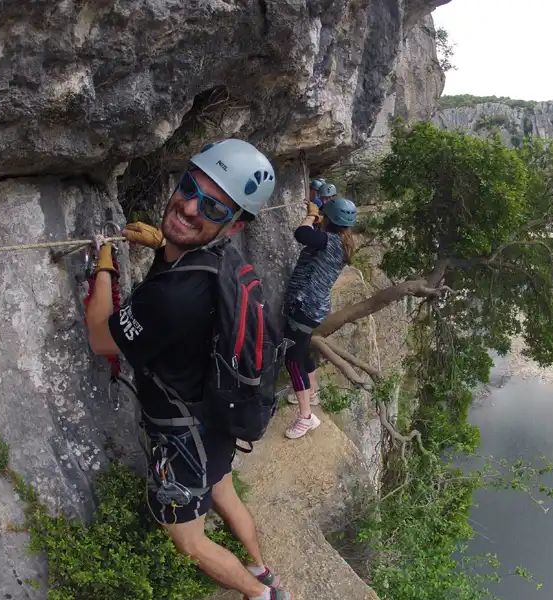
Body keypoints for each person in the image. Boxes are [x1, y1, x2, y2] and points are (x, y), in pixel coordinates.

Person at [84, 139, 291, 600]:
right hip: (217, 416)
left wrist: (105, 268)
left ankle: (263, 596)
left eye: (213, 207)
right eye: (187, 188)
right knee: (223, 492)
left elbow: (102, 338)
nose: (190, 207)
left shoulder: (172, 298)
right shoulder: (223, 260)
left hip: (181, 433)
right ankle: (261, 569)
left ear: (234, 223)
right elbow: (183, 260)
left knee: (190, 541)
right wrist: (160, 243)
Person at [283, 196, 357, 439]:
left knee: (292, 360)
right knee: (302, 351)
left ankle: (306, 417)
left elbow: (302, 234)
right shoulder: (341, 241)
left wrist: (312, 216)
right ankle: (311, 393)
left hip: (304, 307)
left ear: (328, 218)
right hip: (314, 308)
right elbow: (314, 238)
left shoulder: (328, 240)